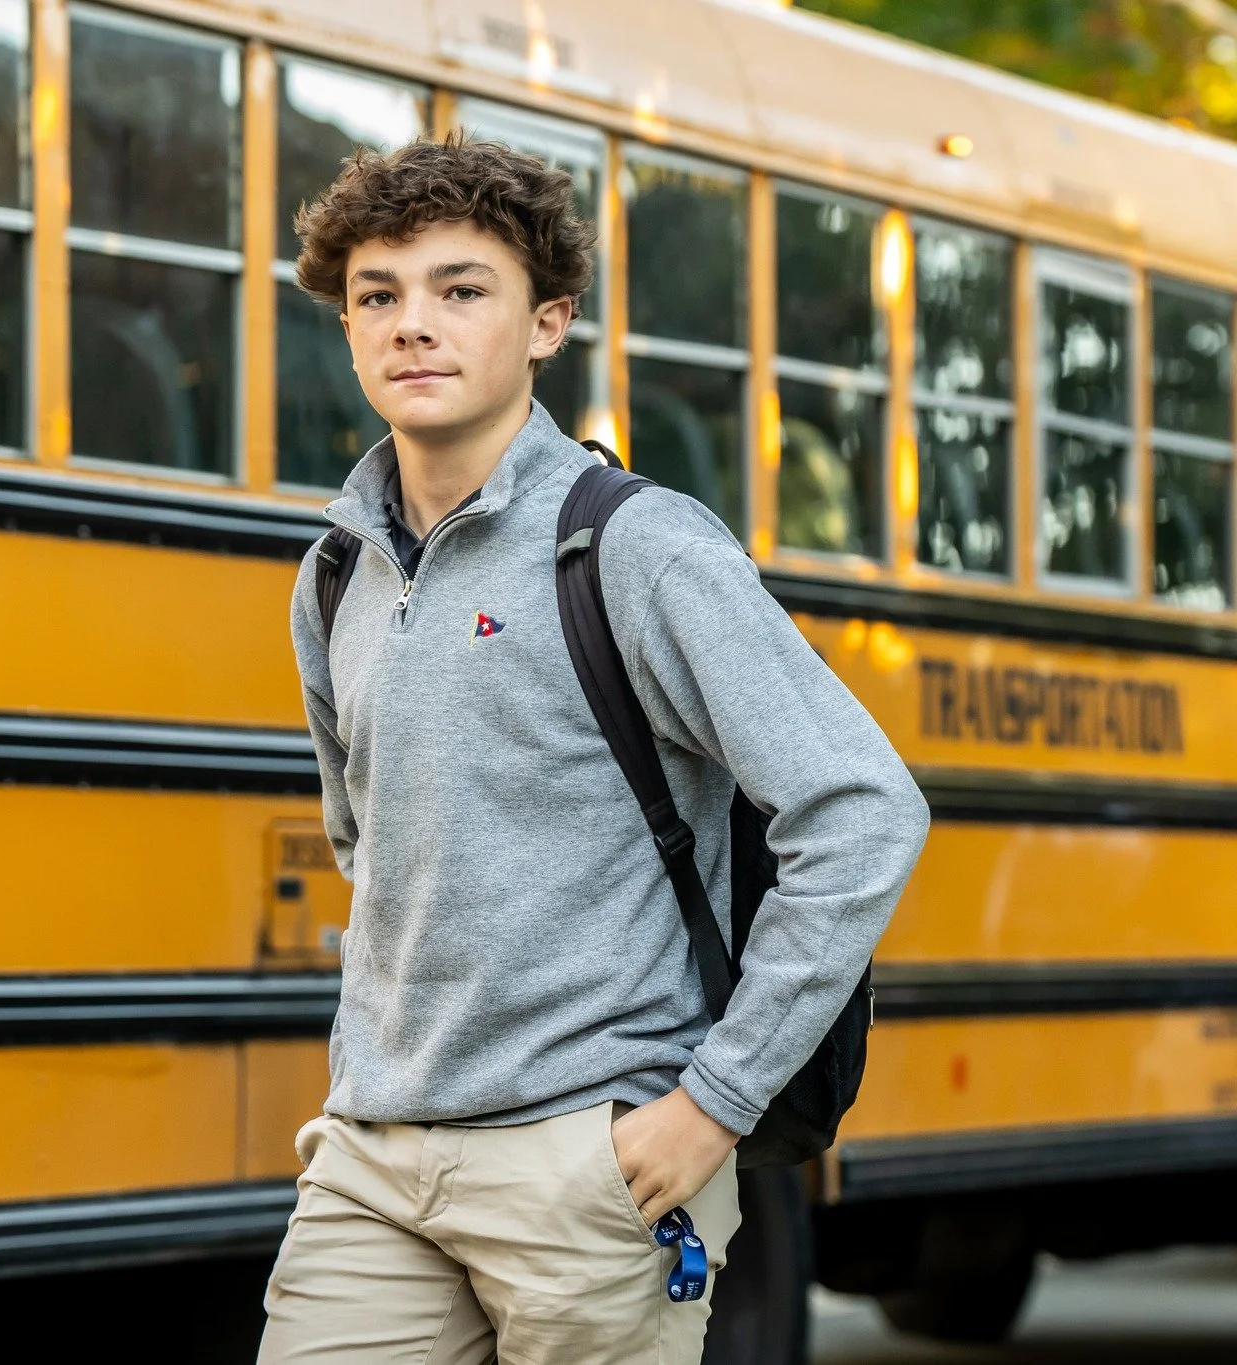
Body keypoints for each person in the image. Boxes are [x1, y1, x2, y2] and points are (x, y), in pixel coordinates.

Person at [259, 135, 930, 1365]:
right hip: (372, 1158)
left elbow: (862, 810)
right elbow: (371, 852)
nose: (413, 324)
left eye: (460, 291)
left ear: (546, 323)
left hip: (588, 1160)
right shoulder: (336, 570)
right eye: (377, 295)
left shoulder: (633, 550)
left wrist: (707, 1109)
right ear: (348, 328)